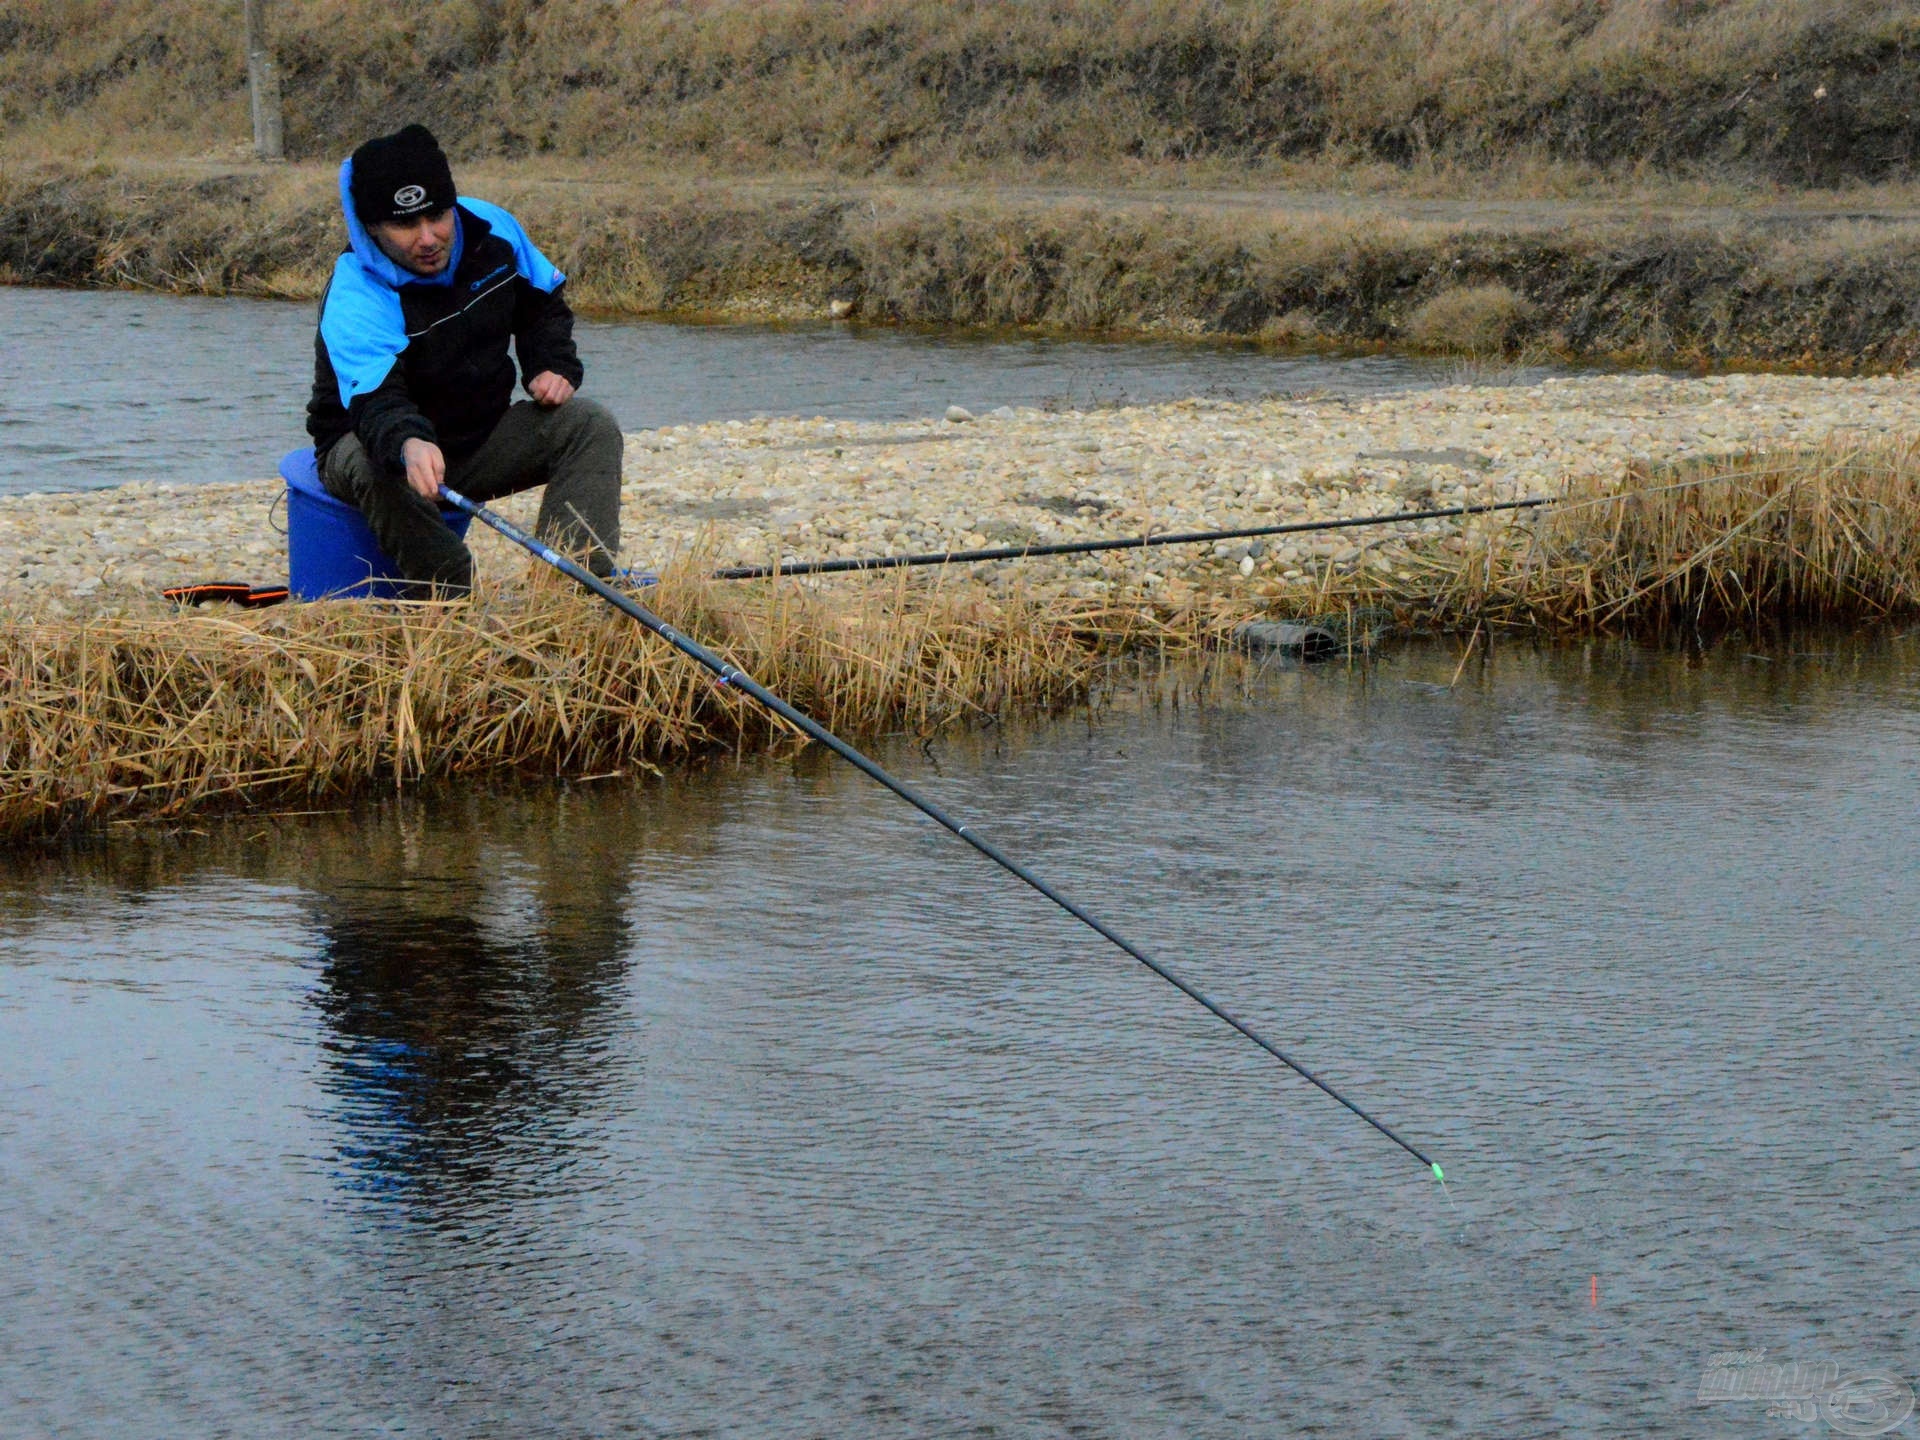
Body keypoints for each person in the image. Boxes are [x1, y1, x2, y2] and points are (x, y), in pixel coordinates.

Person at [306, 124, 621, 595]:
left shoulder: (492, 230)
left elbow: (543, 302)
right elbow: (377, 401)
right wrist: (409, 443)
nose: (428, 237)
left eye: (437, 215)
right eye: (405, 225)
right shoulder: (358, 293)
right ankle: (447, 599)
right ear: (371, 227)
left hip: (478, 440)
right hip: (372, 441)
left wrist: (550, 363)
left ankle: (574, 593)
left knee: (588, 424)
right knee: (379, 460)